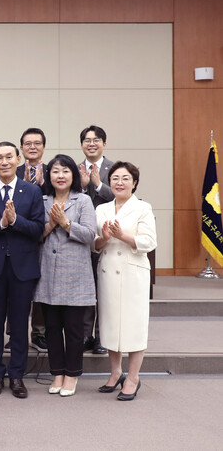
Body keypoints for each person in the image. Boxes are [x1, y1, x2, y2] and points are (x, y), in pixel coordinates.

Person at [0, 141, 44, 399]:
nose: (4, 162)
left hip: (22, 268)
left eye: (8, 157)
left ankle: (16, 375)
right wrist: (1, 224)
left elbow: (38, 229)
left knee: (19, 324)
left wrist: (16, 221)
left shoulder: (32, 191)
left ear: (18, 160)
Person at [34, 154, 97, 397]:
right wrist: (51, 224)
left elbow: (90, 235)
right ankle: (57, 373)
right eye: (55, 171)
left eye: (65, 171)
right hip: (47, 274)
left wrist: (65, 222)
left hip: (75, 276)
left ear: (73, 175)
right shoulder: (42, 200)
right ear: (48, 175)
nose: (60, 176)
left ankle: (71, 375)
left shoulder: (83, 200)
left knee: (73, 329)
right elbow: (34, 235)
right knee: (51, 328)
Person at [93, 161, 157, 401]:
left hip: (133, 273)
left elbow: (149, 242)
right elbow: (95, 244)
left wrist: (122, 236)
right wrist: (105, 237)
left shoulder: (143, 208)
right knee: (110, 323)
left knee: (133, 324)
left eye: (125, 178)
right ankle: (115, 372)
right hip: (108, 270)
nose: (119, 183)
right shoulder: (102, 209)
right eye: (115, 178)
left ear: (134, 182)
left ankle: (133, 377)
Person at [79, 125, 114, 355]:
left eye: (96, 140)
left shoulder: (115, 168)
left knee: (105, 291)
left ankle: (102, 338)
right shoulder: (74, 168)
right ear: (82, 144)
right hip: (82, 238)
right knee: (86, 289)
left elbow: (120, 196)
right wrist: (83, 186)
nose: (91, 144)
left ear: (104, 144)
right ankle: (85, 336)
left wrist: (99, 184)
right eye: (87, 140)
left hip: (107, 236)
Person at [16, 127, 50, 351]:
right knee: (15, 287)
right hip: (18, 236)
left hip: (46, 235)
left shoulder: (53, 170)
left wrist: (42, 184)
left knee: (41, 286)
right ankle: (14, 333)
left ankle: (39, 333)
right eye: (28, 143)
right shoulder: (13, 169)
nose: (32, 147)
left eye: (37, 143)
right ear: (21, 148)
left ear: (44, 147)